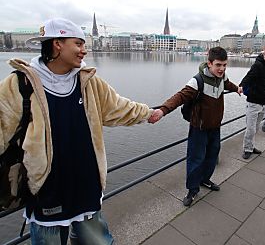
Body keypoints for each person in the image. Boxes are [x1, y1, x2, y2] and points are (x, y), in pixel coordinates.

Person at [0, 18, 154, 245]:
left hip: (86, 183)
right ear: (57, 44)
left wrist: (148, 113)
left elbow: (117, 108)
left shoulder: (88, 81)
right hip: (47, 189)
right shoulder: (20, 84)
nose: (84, 50)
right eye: (78, 44)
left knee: (97, 241)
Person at [148, 47, 241, 206]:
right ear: (209, 63)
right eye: (218, 65)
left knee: (212, 155)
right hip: (199, 128)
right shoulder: (197, 81)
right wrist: (163, 110)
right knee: (196, 159)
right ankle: (192, 190)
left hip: (215, 127)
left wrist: (237, 88)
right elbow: (180, 96)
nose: (222, 69)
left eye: (225, 65)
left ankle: (205, 180)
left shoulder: (221, 77)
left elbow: (227, 83)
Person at [239, 44, 265, 159]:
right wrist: (242, 86)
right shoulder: (257, 65)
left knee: (256, 128)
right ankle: (247, 149)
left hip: (263, 102)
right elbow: (249, 76)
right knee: (251, 128)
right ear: (264, 53)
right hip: (253, 102)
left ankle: (251, 147)